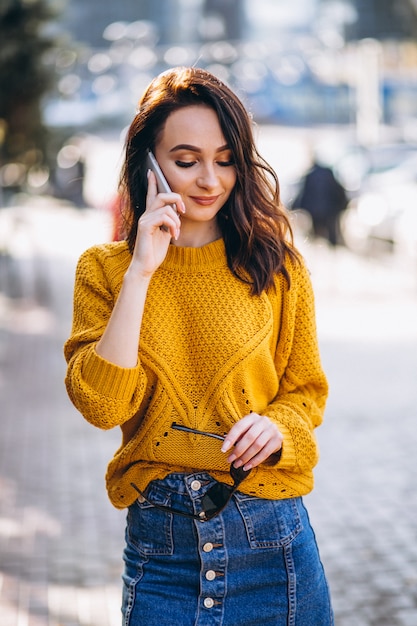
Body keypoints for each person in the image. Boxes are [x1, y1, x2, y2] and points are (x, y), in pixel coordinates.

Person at [64, 66, 334, 626]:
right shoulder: (104, 271)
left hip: (272, 545)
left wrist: (277, 428)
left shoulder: (277, 267)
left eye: (226, 159)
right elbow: (101, 404)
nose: (210, 180)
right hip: (162, 553)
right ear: (148, 164)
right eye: (186, 161)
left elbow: (305, 393)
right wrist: (141, 270)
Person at [293, 158, 348, 246]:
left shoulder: (310, 175)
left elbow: (304, 194)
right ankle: (332, 252)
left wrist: (296, 206)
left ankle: (320, 252)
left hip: (315, 211)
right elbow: (338, 191)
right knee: (331, 236)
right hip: (330, 210)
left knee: (317, 236)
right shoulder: (329, 173)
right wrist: (343, 205)